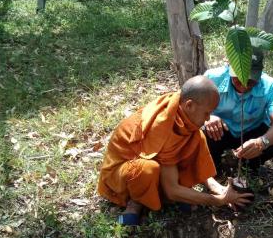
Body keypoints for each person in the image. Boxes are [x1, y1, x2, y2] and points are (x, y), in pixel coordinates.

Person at [97, 76, 253, 225]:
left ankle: (171, 194)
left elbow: (184, 157)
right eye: (206, 113)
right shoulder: (163, 127)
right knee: (146, 169)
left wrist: (216, 187)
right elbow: (172, 190)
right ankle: (136, 202)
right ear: (189, 105)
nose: (207, 119)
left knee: (198, 136)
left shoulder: (182, 111)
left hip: (164, 168)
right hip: (120, 175)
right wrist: (219, 200)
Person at [203, 51, 273, 172]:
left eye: (250, 80)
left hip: (251, 131)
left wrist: (262, 142)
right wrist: (208, 117)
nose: (244, 85)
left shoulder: (270, 86)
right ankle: (212, 167)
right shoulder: (212, 78)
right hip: (219, 132)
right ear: (229, 67)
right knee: (203, 131)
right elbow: (191, 107)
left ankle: (245, 167)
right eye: (238, 78)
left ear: (260, 73)